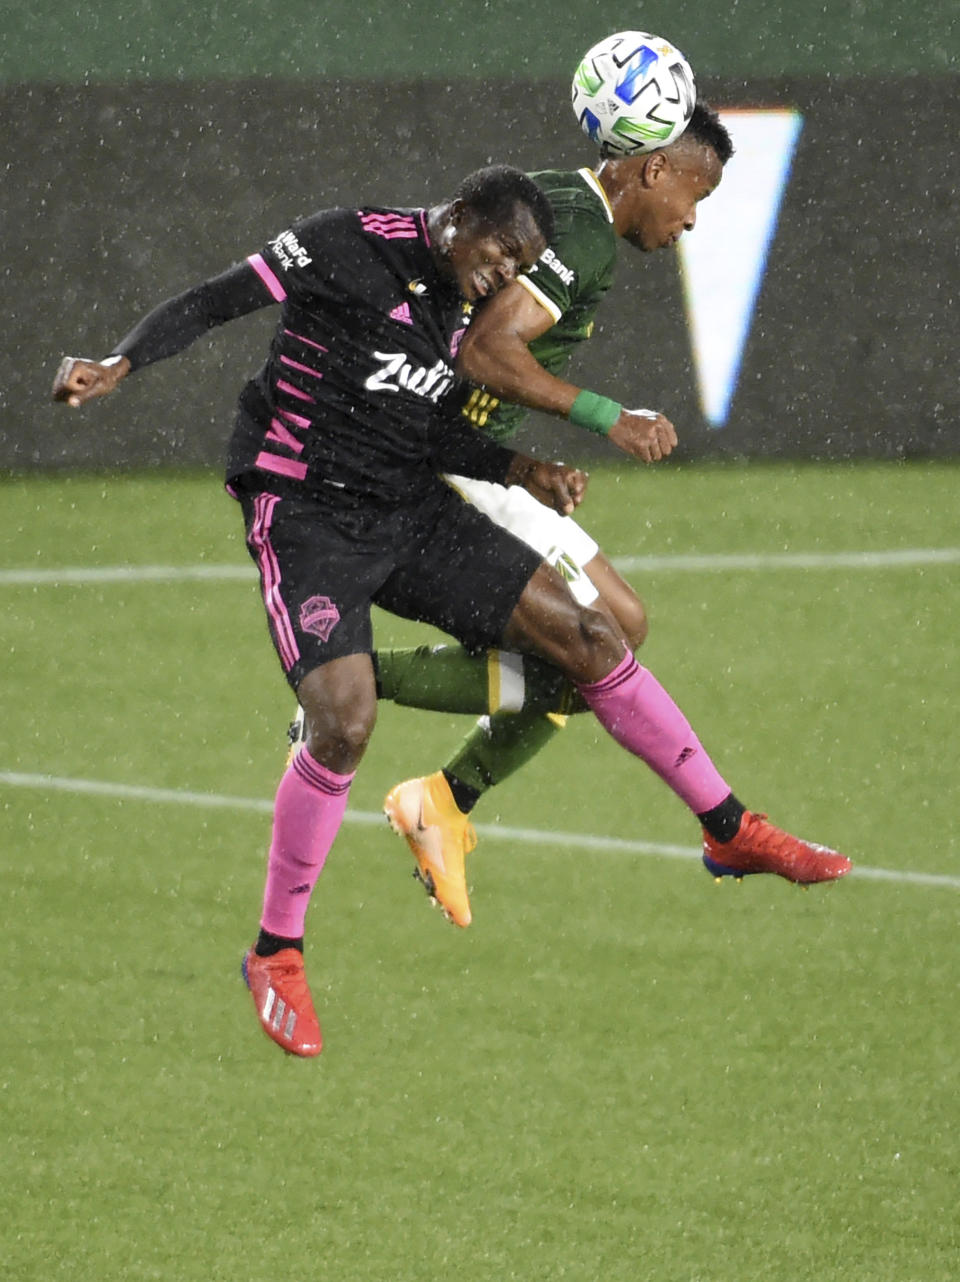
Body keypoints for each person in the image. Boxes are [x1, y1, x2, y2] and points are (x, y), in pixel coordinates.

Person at [55, 162, 849, 1063]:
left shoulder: (464, 306)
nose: (500, 277)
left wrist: (521, 471)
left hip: (408, 504)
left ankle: (728, 826)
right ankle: (276, 952)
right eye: (500, 255)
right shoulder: (343, 240)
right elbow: (214, 300)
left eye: (517, 269)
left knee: (592, 634)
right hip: (305, 507)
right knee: (345, 721)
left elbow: (421, 421)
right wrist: (121, 360)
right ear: (458, 216)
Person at [353, 103, 835, 929]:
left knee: (613, 634)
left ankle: (442, 796)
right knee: (601, 639)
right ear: (652, 170)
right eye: (695, 193)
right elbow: (485, 350)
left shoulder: (560, 207)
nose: (690, 219)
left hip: (471, 460)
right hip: (447, 466)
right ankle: (351, 685)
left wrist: (527, 464)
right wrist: (608, 414)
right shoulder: (577, 231)